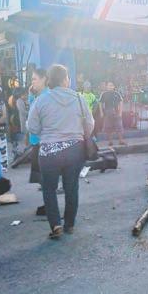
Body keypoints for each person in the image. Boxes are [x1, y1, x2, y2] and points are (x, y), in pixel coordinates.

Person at [27, 64, 94, 239]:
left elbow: (32, 127)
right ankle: (69, 224)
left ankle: (55, 224)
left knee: (49, 189)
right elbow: (90, 124)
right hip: (75, 150)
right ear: (65, 80)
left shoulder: (41, 100)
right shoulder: (79, 98)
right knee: (71, 188)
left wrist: (46, 132)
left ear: (49, 80)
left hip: (49, 152)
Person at [27, 69, 49, 215]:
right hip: (37, 141)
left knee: (45, 176)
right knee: (41, 176)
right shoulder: (39, 96)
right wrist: (30, 95)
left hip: (43, 141)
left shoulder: (46, 96)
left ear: (44, 79)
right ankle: (48, 203)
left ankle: (49, 206)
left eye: (34, 79)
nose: (32, 82)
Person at [99, 81, 125, 146]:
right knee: (108, 128)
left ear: (114, 86)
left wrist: (120, 112)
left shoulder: (117, 93)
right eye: (109, 85)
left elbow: (121, 102)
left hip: (116, 112)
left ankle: (121, 141)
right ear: (107, 87)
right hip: (108, 112)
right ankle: (110, 142)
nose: (110, 87)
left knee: (119, 127)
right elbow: (100, 103)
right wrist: (101, 112)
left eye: (111, 85)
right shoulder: (104, 94)